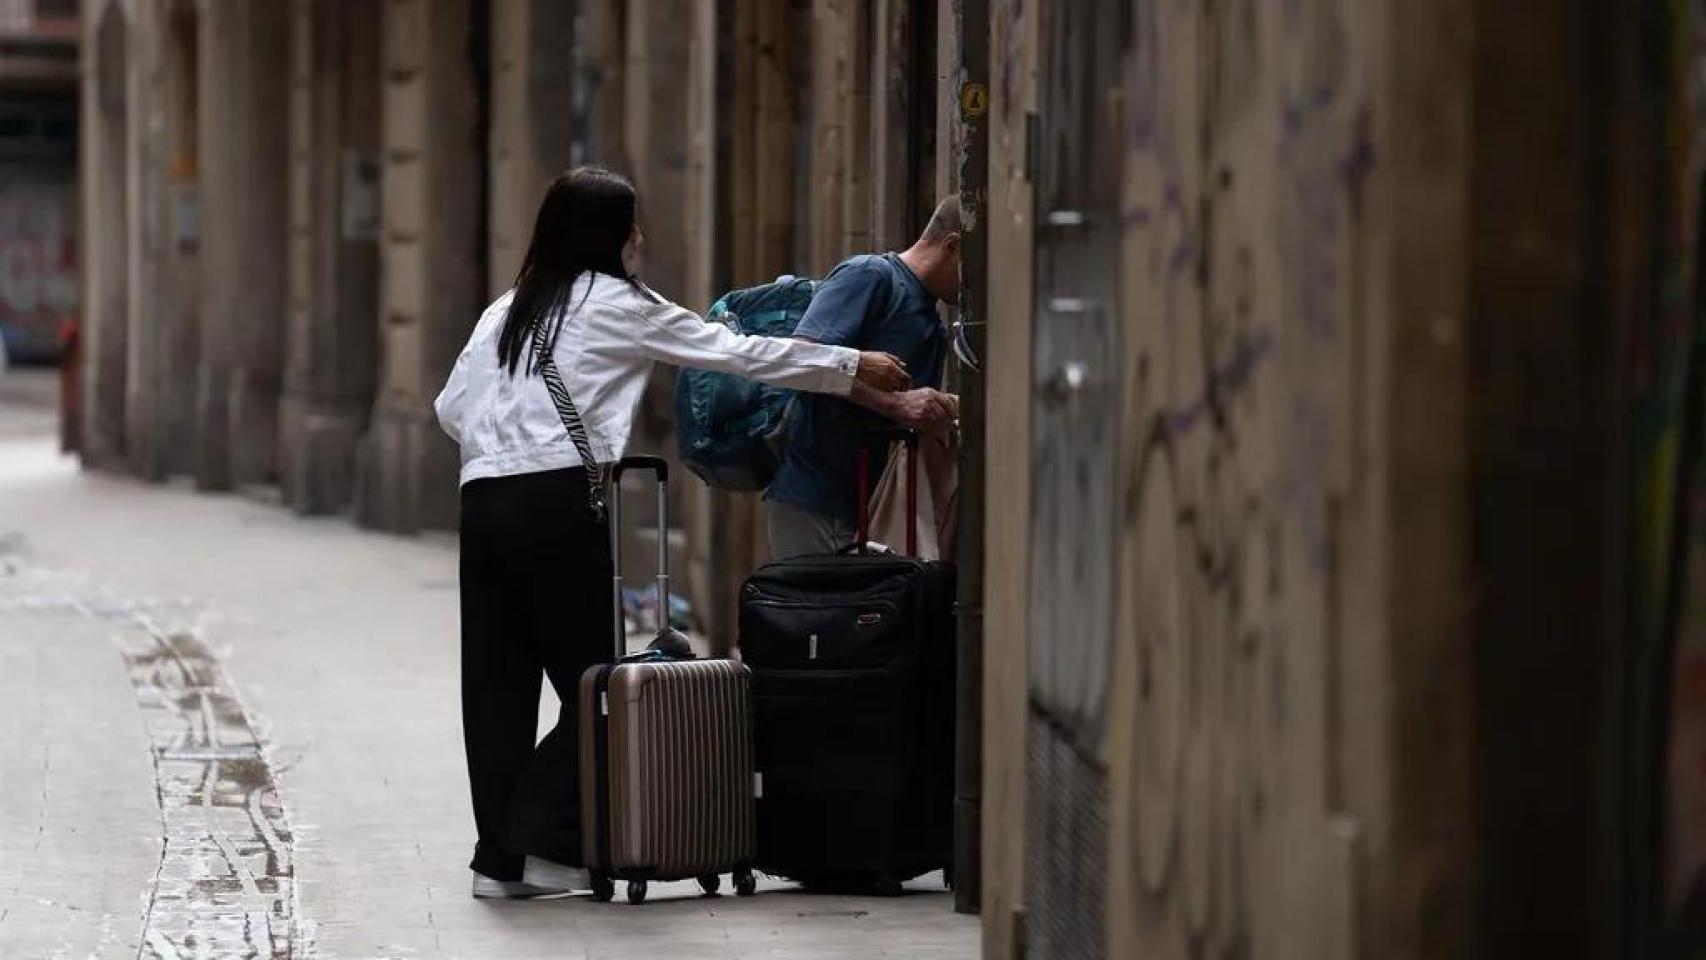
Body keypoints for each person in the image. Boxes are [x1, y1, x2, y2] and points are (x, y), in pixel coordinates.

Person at [433, 166, 909, 901]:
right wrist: (851, 365)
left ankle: (500, 861)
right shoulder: (620, 304)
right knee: (599, 685)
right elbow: (738, 352)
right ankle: (528, 842)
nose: (641, 239)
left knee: (495, 686)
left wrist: (507, 446)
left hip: (482, 498)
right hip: (559, 502)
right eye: (633, 227)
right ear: (611, 236)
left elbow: (449, 407)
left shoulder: (506, 310)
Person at [764, 197, 963, 559]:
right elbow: (799, 358)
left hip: (873, 506)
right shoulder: (870, 275)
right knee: (820, 613)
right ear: (951, 246)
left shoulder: (933, 325)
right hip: (816, 500)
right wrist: (894, 404)